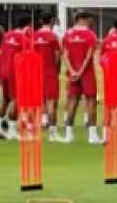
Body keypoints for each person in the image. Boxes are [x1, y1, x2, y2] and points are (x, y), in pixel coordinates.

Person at [63, 11, 100, 144]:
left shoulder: (68, 34)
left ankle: (68, 134)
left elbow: (65, 54)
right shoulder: (90, 35)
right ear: (81, 19)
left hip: (73, 73)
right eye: (89, 20)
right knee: (91, 101)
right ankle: (92, 135)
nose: (91, 22)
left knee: (72, 101)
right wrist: (80, 71)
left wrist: (72, 70)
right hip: (87, 73)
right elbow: (89, 55)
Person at [34, 12, 62, 140]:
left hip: (37, 72)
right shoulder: (53, 37)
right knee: (51, 102)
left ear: (40, 21)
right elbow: (57, 56)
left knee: (41, 100)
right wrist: (56, 69)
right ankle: (53, 133)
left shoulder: (34, 36)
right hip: (49, 72)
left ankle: (42, 122)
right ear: (51, 21)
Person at [0, 22, 26, 139]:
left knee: (5, 100)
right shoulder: (24, 38)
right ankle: (12, 130)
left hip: (4, 70)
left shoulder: (6, 35)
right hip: (15, 72)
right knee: (17, 100)